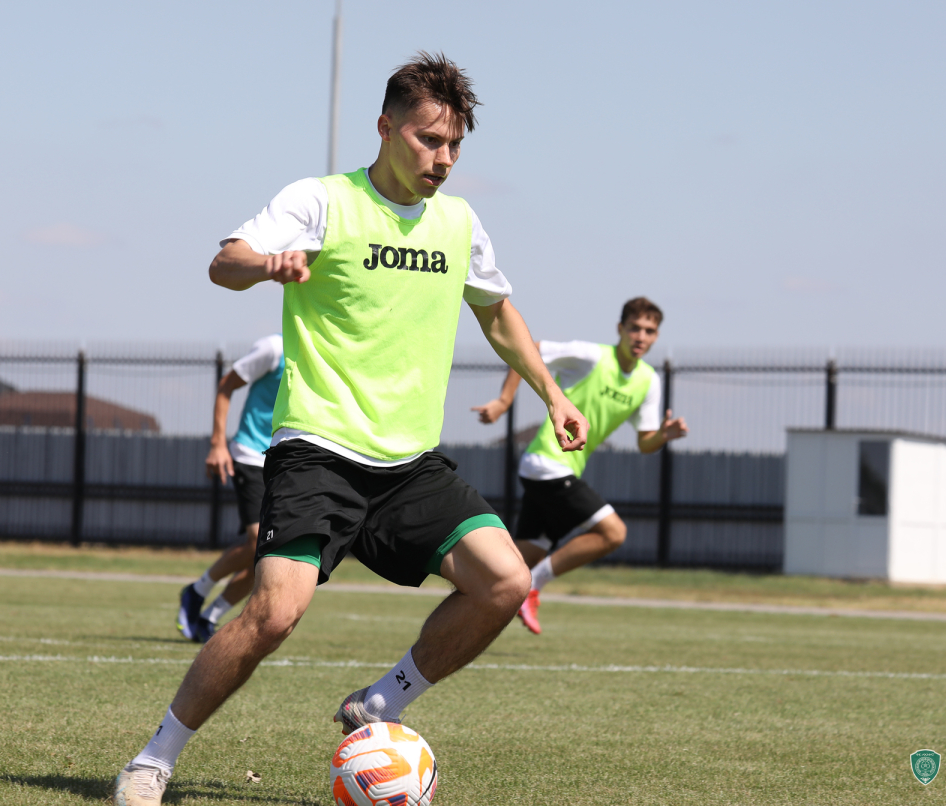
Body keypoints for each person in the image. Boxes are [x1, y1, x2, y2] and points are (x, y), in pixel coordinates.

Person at [112, 52, 589, 806]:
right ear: (386, 128)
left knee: (505, 580)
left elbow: (497, 312)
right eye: (429, 139)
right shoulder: (323, 201)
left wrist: (551, 393)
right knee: (275, 612)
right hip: (319, 450)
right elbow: (225, 262)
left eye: (455, 144)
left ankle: (379, 705)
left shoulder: (459, 223)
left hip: (409, 464)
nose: (444, 158)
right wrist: (268, 265)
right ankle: (152, 760)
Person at [472, 297, 687, 635]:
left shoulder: (649, 381)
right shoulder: (591, 356)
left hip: (558, 471)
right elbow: (530, 350)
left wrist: (663, 435)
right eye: (634, 328)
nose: (641, 336)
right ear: (620, 329)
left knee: (518, 564)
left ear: (656, 336)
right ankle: (534, 586)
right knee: (613, 533)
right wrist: (503, 400)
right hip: (547, 463)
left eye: (649, 331)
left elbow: (645, 443)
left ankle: (469, 594)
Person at [176, 334, 284, 643]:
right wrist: (217, 443)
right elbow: (226, 386)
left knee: (270, 556)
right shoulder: (274, 349)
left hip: (286, 462)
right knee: (259, 541)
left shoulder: (326, 351)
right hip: (251, 455)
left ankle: (209, 616)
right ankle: (197, 592)